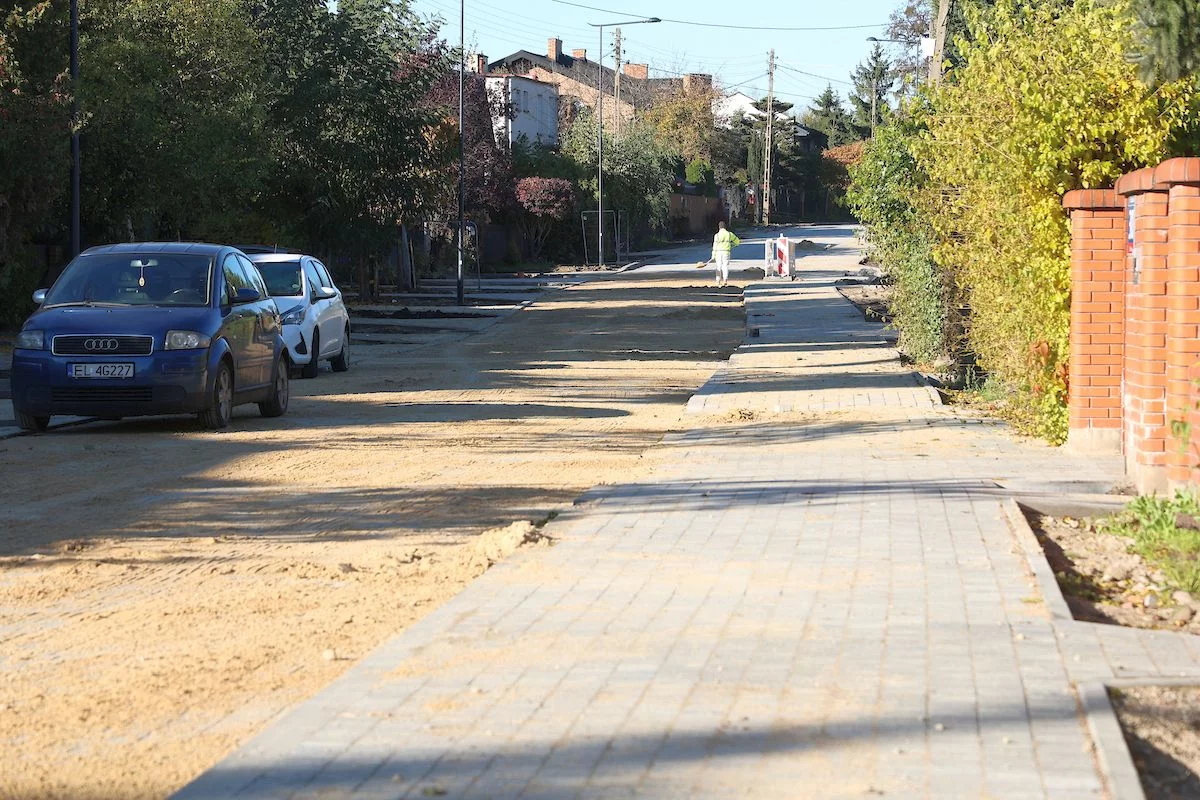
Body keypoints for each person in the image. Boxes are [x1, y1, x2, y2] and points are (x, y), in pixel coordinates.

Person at [711, 221, 740, 288]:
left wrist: (713, 255)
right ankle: (725, 280)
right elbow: (737, 242)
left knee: (718, 266)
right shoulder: (729, 234)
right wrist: (732, 245)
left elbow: (715, 246)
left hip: (718, 253)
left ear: (719, 227)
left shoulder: (716, 235)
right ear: (725, 227)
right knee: (725, 266)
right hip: (726, 252)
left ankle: (718, 281)